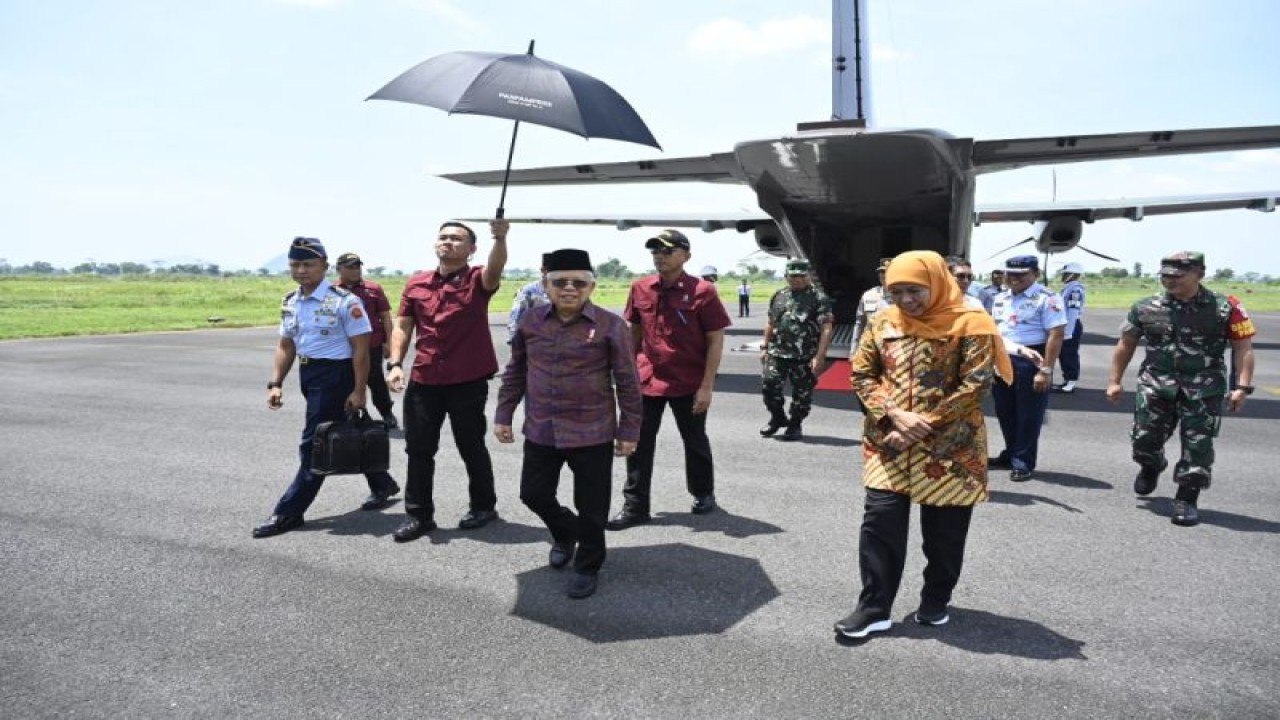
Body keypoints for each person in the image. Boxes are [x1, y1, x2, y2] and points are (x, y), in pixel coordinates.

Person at [833, 250, 1013, 640]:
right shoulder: (883, 322)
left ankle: (935, 599)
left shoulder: (972, 323)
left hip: (951, 449)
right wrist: (893, 415)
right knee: (879, 524)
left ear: (935, 283)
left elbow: (976, 384)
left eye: (913, 290)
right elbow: (862, 373)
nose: (905, 300)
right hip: (889, 441)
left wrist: (922, 424)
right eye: (895, 291)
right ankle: (874, 608)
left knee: (944, 535)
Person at [494, 249, 643, 599]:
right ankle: (565, 532)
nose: (570, 289)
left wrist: (629, 430)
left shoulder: (610, 325)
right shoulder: (531, 323)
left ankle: (588, 565)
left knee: (593, 506)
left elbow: (627, 380)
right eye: (561, 282)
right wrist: (504, 413)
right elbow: (516, 370)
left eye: (579, 282)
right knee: (533, 494)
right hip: (542, 428)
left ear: (592, 286)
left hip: (592, 430)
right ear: (546, 284)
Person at [253, 237, 401, 538]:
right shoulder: (291, 301)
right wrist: (276, 382)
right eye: (295, 264)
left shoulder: (344, 301)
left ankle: (288, 512)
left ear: (323, 266)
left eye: (308, 264)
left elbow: (360, 349)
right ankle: (382, 483)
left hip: (337, 375)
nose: (301, 270)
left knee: (315, 444)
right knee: (343, 430)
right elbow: (286, 344)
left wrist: (359, 390)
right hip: (310, 374)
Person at [1105, 251, 1256, 527]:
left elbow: (1242, 347)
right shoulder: (1146, 306)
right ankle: (1151, 465)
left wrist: (1242, 387)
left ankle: (1187, 498)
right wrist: (1115, 380)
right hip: (1156, 386)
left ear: (1199, 273)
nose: (1169, 281)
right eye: (1164, 276)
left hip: (1204, 388)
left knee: (1198, 447)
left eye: (1177, 276)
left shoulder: (1226, 307)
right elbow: (1126, 343)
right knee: (1143, 442)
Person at [385, 219, 509, 542]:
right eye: (443, 237)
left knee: (471, 446)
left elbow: (495, 269)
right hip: (425, 378)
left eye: (457, 238)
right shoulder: (417, 283)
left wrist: (500, 238)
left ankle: (483, 506)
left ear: (471, 249)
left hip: (467, 380)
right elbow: (402, 326)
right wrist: (396, 363)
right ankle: (419, 515)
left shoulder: (477, 279)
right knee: (419, 449)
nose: (448, 242)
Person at [606, 229, 732, 529]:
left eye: (667, 251)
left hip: (688, 381)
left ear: (686, 256)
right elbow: (633, 333)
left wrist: (707, 386)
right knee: (637, 443)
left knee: (694, 440)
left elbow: (715, 340)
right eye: (656, 252)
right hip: (647, 380)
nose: (660, 256)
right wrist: (625, 374)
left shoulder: (703, 291)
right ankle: (636, 506)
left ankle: (703, 493)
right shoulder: (640, 288)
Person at [989, 255, 1066, 482]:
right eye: (1010, 274)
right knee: (1005, 411)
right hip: (1003, 358)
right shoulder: (1001, 298)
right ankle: (1011, 453)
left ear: (1035, 274)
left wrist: (1046, 370)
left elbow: (1056, 334)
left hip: (1032, 359)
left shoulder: (1048, 299)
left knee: (1029, 414)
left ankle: (1023, 462)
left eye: (1021, 274)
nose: (1014, 278)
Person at [760, 259, 834, 441]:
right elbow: (771, 322)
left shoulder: (819, 298)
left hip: (804, 356)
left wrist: (820, 355)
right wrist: (765, 346)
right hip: (777, 353)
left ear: (808, 276)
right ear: (786, 276)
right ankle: (777, 418)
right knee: (769, 387)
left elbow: (826, 328)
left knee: (802, 394)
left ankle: (795, 425)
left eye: (801, 276)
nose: (797, 279)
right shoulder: (779, 295)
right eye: (793, 276)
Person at [334, 252, 398, 429]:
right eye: (350, 267)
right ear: (339, 269)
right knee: (346, 380)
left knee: (375, 380)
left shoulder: (373, 289)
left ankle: (386, 412)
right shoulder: (332, 290)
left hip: (372, 345)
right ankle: (353, 412)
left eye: (358, 266)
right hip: (343, 347)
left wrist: (388, 343)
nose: (355, 270)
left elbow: (385, 317)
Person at [1054, 262, 1087, 393]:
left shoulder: (1075, 290)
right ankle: (1067, 380)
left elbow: (1073, 311)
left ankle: (1071, 381)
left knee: (1069, 354)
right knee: (1063, 354)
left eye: (1065, 274)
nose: (1063, 276)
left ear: (1073, 275)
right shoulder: (1068, 288)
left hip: (1071, 325)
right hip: (1066, 324)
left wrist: (1068, 331)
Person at [506, 253, 551, 344]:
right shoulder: (528, 291)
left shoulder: (562, 292)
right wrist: (514, 340)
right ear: (543, 270)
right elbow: (515, 316)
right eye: (551, 270)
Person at [852, 258, 893, 348]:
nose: (884, 275)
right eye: (881, 272)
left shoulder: (905, 297)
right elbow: (859, 323)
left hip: (895, 349)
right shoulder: (869, 295)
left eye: (887, 272)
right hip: (871, 347)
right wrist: (854, 350)